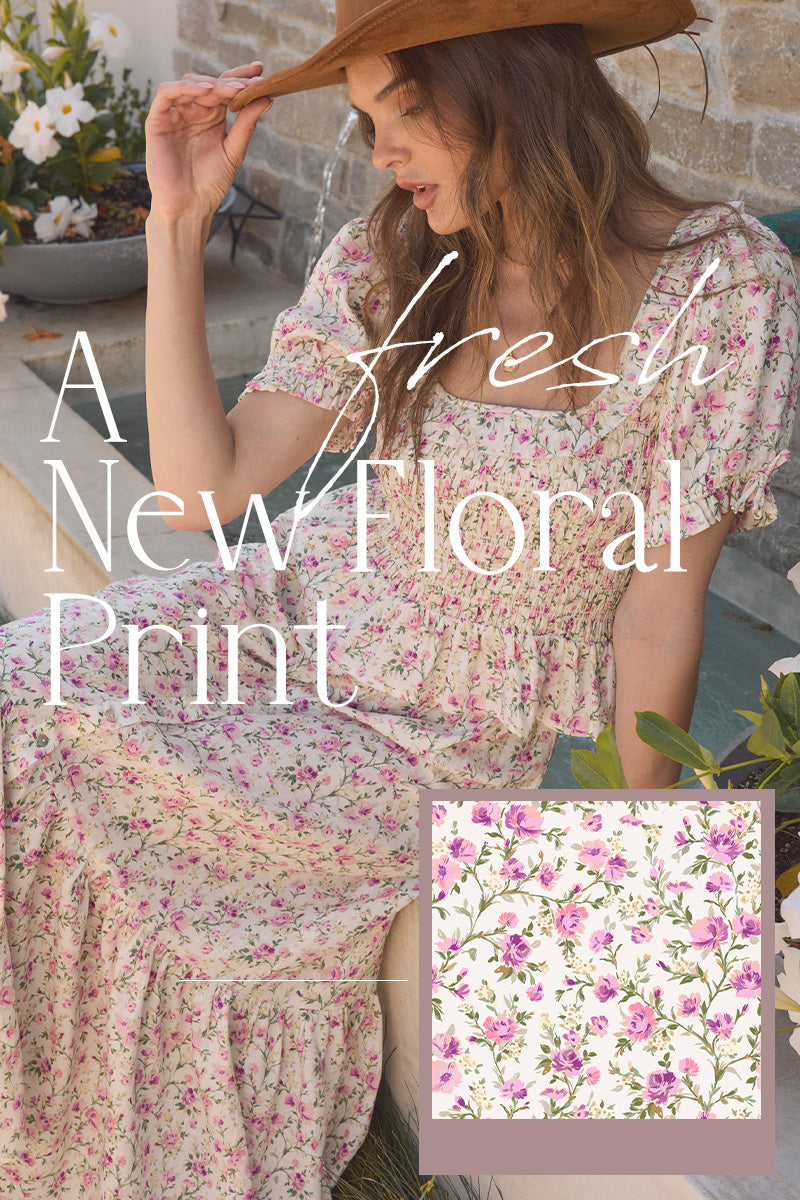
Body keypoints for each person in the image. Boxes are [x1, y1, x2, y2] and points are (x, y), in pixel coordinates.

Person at [0, 0, 796, 1196]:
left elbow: (655, 606)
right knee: (21, 695)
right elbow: (202, 485)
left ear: (510, 89)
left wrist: (631, 871)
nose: (379, 153)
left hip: (438, 729)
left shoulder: (721, 287)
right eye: (368, 119)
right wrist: (176, 225)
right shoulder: (394, 254)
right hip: (277, 615)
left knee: (72, 758)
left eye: (403, 113)